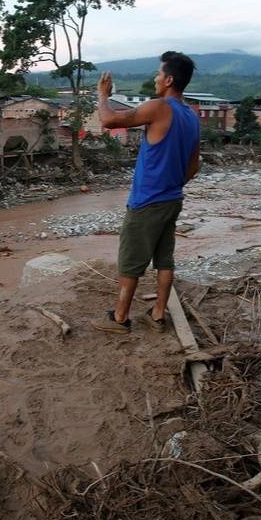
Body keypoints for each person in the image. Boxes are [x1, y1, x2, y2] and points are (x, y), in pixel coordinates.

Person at [92, 51, 201, 334]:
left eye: (157, 74)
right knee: (165, 259)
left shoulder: (159, 107)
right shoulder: (191, 115)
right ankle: (158, 314)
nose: (155, 79)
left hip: (147, 201)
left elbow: (109, 121)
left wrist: (103, 95)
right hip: (172, 199)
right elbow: (194, 167)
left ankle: (119, 319)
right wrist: (171, 184)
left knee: (131, 262)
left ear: (169, 79)